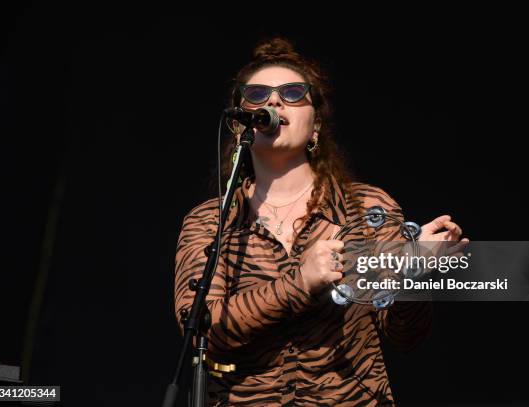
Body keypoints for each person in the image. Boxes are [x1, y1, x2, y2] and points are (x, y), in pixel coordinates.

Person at [174, 38, 467, 406]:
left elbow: (406, 337)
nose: (275, 102)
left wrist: (411, 276)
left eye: (294, 93)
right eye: (258, 93)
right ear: (239, 124)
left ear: (315, 127)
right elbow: (204, 330)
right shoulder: (210, 220)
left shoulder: (366, 208)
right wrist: (299, 283)